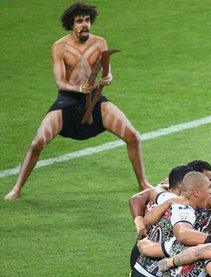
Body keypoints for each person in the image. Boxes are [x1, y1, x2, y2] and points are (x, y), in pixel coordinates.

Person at [4, 2, 149, 201]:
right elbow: (60, 82)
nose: (84, 25)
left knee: (133, 136)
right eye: (79, 21)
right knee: (37, 143)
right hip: (68, 100)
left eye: (87, 20)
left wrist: (108, 78)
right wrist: (79, 88)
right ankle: (17, 188)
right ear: (71, 24)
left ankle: (143, 182)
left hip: (94, 99)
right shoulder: (59, 47)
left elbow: (106, 71)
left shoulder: (99, 43)